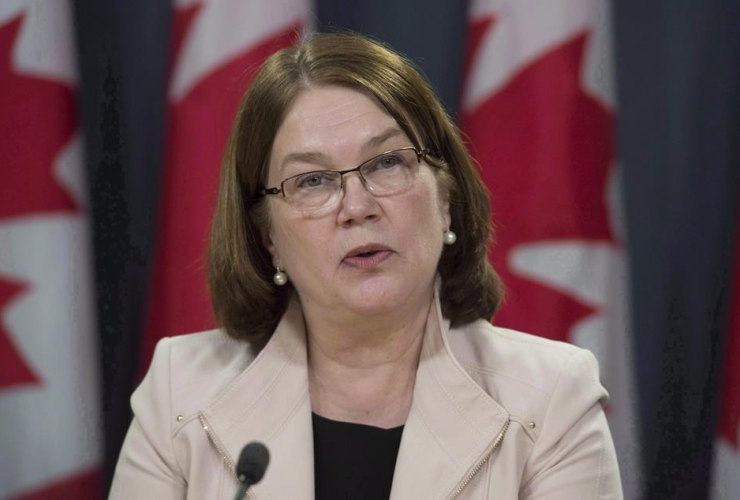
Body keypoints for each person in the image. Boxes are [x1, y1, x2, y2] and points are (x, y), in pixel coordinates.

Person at [109, 32, 623, 499]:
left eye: (386, 163)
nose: (357, 206)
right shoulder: (180, 391)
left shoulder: (552, 398)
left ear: (445, 200)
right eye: (311, 181)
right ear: (269, 239)